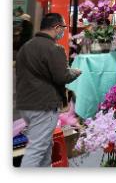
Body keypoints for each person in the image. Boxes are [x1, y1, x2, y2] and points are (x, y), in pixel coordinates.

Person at [16, 13, 82, 167]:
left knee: (45, 147)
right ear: (56, 27)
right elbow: (62, 76)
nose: (64, 31)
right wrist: (75, 72)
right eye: (63, 27)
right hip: (43, 106)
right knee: (37, 150)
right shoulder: (54, 49)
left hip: (26, 105)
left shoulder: (26, 47)